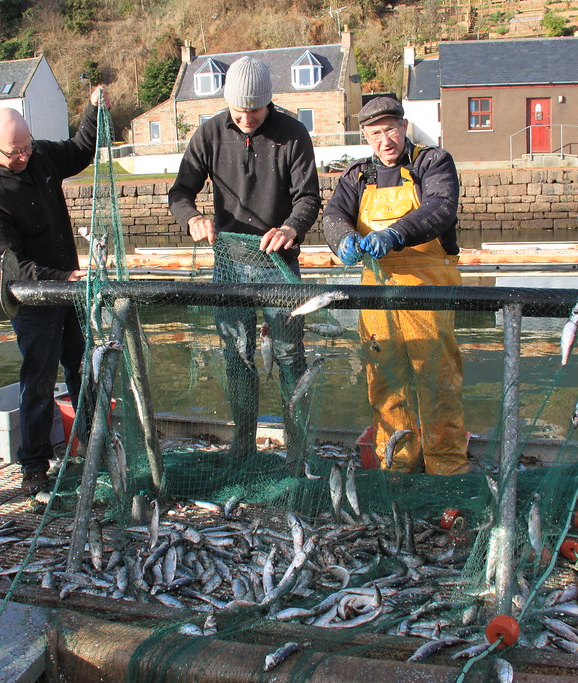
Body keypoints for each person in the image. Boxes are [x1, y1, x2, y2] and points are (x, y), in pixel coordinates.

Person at [168, 56, 321, 457]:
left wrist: (291, 228)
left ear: (268, 103)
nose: (246, 118)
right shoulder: (209, 133)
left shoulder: (293, 134)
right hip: (230, 263)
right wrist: (193, 219)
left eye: (254, 110)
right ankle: (243, 445)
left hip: (278, 262)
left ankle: (298, 449)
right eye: (239, 111)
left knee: (289, 355)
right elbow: (179, 193)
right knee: (236, 355)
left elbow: (308, 197)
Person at [0, 86, 107, 494]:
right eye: (15, 153)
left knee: (84, 368)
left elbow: (81, 149)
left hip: (70, 292)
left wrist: (93, 110)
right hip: (31, 299)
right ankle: (33, 465)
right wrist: (62, 279)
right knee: (39, 379)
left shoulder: (40, 156)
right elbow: (12, 267)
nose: (24, 157)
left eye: (27, 147)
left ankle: (92, 446)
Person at [322, 97, 468, 475]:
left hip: (427, 287)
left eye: (390, 129)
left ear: (403, 127)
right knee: (385, 381)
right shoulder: (356, 175)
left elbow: (440, 207)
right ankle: (397, 464)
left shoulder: (432, 162)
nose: (384, 140)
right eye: (375, 133)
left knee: (436, 380)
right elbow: (334, 214)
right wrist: (341, 239)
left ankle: (446, 467)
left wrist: (395, 233)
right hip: (376, 291)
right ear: (365, 136)